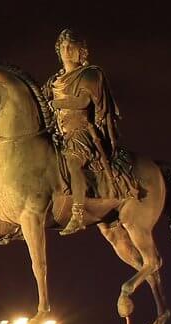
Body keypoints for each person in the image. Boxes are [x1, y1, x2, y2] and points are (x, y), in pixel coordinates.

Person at [46, 28, 132, 234]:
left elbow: (84, 100)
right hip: (59, 133)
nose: (66, 51)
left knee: (73, 162)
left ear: (81, 51)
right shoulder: (53, 80)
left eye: (71, 47)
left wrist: (55, 103)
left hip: (81, 132)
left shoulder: (90, 74)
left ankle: (78, 213)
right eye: (63, 47)